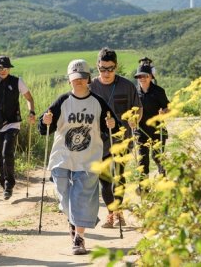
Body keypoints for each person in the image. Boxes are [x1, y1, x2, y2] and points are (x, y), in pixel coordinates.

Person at [40, 59, 119, 255]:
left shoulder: (98, 102)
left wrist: (112, 124)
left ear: (88, 78)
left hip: (88, 159)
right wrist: (45, 120)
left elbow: (114, 126)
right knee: (64, 195)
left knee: (81, 198)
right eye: (75, 78)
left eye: (82, 77)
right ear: (69, 80)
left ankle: (79, 238)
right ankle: (76, 220)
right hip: (62, 157)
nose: (79, 81)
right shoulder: (62, 101)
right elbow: (44, 128)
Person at [89, 47, 141, 229]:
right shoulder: (90, 87)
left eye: (110, 69)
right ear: (97, 66)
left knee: (118, 176)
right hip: (98, 142)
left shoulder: (127, 86)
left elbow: (138, 108)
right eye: (102, 69)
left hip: (121, 139)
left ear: (116, 67)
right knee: (105, 181)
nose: (106, 73)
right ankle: (112, 213)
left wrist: (135, 119)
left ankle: (118, 214)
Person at [0, 55, 36, 200]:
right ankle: (4, 183)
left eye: (5, 68)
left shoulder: (17, 81)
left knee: (6, 152)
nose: (2, 70)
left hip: (13, 123)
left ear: (9, 68)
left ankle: (9, 184)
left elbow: (29, 98)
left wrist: (31, 112)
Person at [134, 63, 170, 178]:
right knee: (142, 160)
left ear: (151, 77)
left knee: (158, 157)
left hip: (157, 130)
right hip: (141, 131)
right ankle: (143, 186)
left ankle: (163, 181)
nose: (142, 78)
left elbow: (168, 108)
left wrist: (164, 112)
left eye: (145, 76)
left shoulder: (159, 91)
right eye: (140, 76)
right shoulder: (134, 92)